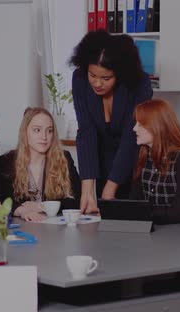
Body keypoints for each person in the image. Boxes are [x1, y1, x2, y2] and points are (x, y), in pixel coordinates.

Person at [69, 30, 153, 214]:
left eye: (106, 78)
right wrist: (87, 189)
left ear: (120, 74)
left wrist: (110, 188)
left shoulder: (139, 84)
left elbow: (131, 137)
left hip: (131, 164)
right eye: (93, 75)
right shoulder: (80, 79)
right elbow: (86, 131)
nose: (97, 83)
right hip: (98, 163)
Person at [129, 99, 180, 224]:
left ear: (158, 126)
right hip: (153, 227)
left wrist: (142, 212)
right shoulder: (143, 154)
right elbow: (135, 200)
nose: (134, 128)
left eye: (141, 124)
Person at [0, 107, 81, 221]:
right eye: (37, 130)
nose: (44, 137)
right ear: (25, 132)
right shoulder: (7, 161)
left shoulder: (64, 158)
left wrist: (41, 207)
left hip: (55, 231)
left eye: (49, 131)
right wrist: (20, 210)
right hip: (21, 230)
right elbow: (0, 200)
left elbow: (76, 201)